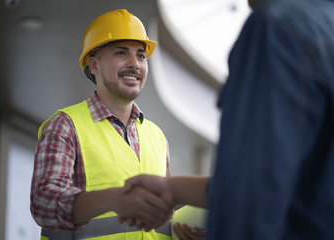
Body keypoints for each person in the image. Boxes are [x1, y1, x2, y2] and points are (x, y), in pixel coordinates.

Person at [121, 0, 334, 239]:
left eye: (140, 55)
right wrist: (174, 189)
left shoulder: (278, 30)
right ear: (93, 64)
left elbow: (252, 191)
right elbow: (305, 185)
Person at [30, 9, 175, 240]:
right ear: (94, 65)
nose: (134, 64)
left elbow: (162, 218)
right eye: (121, 52)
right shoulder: (65, 126)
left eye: (141, 55)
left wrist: (182, 229)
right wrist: (114, 199)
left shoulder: (157, 137)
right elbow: (44, 203)